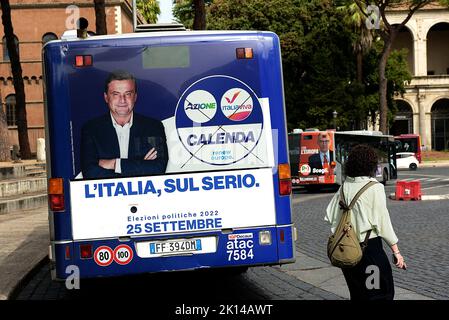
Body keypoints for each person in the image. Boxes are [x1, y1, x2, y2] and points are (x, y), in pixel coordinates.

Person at [325, 144, 406, 300]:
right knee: (380, 294)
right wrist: (396, 252)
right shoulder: (375, 188)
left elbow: (331, 217)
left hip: (348, 252)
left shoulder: (343, 187)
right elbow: (383, 223)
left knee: (358, 295)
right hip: (369, 251)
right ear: (371, 165)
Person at [80, 70, 168, 179]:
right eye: (116, 94)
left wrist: (115, 164)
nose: (122, 100)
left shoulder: (153, 127)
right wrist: (141, 166)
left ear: (135, 97)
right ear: (106, 97)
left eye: (128, 94)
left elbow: (158, 168)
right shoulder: (91, 129)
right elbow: (90, 173)